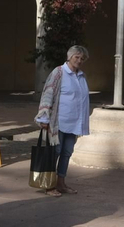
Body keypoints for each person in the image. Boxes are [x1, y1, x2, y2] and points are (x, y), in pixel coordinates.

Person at [35, 45, 91, 196]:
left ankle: (61, 183)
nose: (79, 61)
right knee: (56, 152)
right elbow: (48, 93)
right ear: (69, 57)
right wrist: (44, 117)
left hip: (74, 122)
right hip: (58, 122)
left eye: (82, 58)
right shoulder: (59, 72)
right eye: (76, 57)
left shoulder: (81, 75)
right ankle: (49, 184)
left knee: (67, 152)